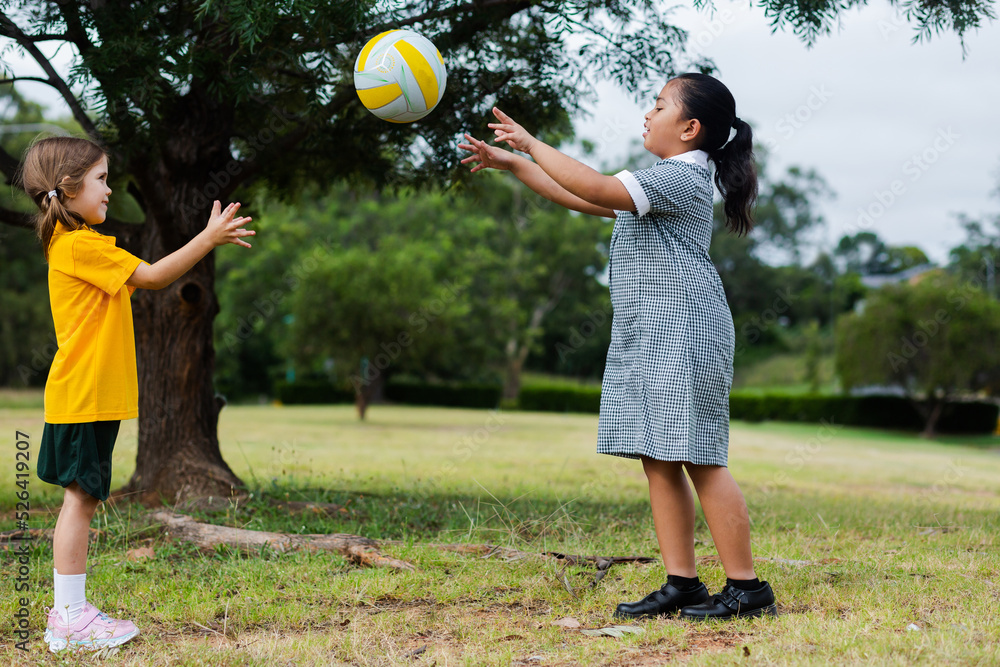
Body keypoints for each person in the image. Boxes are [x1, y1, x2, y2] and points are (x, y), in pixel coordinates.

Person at [459, 73, 777, 620]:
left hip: (685, 332)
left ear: (690, 128)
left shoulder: (681, 178)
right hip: (652, 332)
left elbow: (599, 185)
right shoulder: (661, 180)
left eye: (659, 106)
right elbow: (584, 196)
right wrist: (518, 166)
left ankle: (748, 590)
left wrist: (534, 144)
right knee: (658, 458)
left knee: (700, 457)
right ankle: (683, 582)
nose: (648, 115)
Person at [19, 136, 255, 652]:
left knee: (81, 500)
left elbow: (133, 281)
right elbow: (152, 277)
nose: (109, 190)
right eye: (101, 180)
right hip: (83, 397)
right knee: (79, 501)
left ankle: (69, 615)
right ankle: (70, 619)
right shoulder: (79, 246)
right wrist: (207, 238)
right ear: (69, 186)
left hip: (86, 397)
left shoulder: (86, 245)